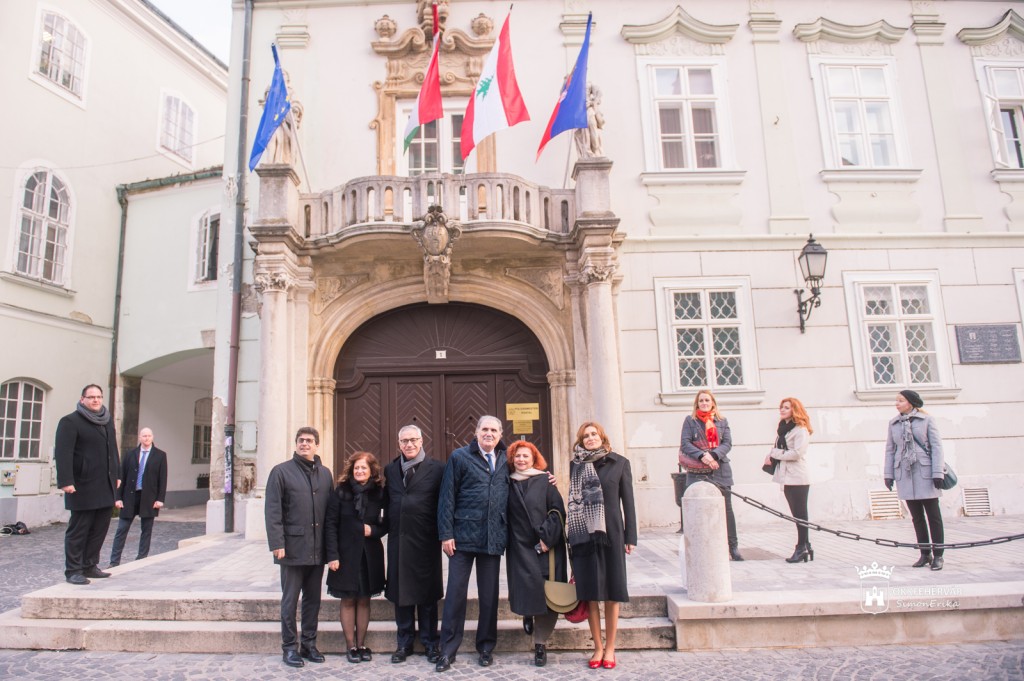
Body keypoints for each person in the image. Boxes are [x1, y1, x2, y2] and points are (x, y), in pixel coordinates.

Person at [434, 415, 509, 672]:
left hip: (492, 535)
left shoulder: (507, 458)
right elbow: (447, 497)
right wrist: (446, 534)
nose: (489, 433)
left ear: (500, 434)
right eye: (484, 429)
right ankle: (447, 650)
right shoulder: (460, 457)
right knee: (455, 594)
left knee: (489, 595)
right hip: (462, 537)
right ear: (476, 433)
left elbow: (528, 470)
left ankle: (486, 647)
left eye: (494, 430)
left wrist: (547, 477)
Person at [567, 421, 636, 671]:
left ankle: (611, 648)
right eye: (585, 436)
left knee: (612, 591)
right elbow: (573, 501)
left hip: (612, 535)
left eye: (594, 434)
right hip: (584, 536)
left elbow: (628, 502)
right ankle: (597, 646)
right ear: (581, 441)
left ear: (602, 437)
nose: (590, 438)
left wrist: (630, 537)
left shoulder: (619, 463)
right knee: (590, 593)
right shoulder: (576, 465)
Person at [265, 427, 334, 668]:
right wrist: (277, 543)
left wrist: (331, 548)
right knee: (290, 601)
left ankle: (309, 644)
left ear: (317, 445)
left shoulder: (325, 474)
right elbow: (273, 510)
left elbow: (330, 513)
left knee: (313, 600)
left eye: (309, 441)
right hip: (292, 548)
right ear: (296, 444)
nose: (305, 444)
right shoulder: (281, 472)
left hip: (317, 549)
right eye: (301, 440)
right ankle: (289, 647)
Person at [382, 425, 444, 664]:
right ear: (399, 444)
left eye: (413, 440)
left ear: (421, 441)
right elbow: (385, 500)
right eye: (404, 441)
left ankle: (430, 643)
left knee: (427, 596)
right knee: (401, 595)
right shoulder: (390, 470)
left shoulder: (437, 469)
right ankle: (404, 643)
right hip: (399, 540)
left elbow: (446, 501)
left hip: (426, 540)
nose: (409, 444)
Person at [505, 440, 566, 667]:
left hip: (544, 545)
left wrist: (547, 538)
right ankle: (527, 613)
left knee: (547, 595)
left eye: (526, 456)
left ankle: (540, 644)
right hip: (519, 546)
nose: (521, 460)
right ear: (512, 460)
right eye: (517, 456)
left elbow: (557, 510)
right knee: (527, 589)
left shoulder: (545, 481)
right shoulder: (506, 482)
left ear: (534, 460)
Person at [54, 384, 121, 585]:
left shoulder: (106, 421)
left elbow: (113, 449)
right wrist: (66, 481)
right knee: (79, 529)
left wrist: (117, 474)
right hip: (82, 485)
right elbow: (63, 453)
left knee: (99, 528)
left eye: (99, 396)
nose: (96, 400)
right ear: (82, 399)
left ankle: (90, 565)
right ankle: (73, 570)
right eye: (91, 397)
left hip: (105, 483)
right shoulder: (70, 421)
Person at [325, 451, 387, 664]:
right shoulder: (341, 492)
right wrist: (332, 555)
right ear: (352, 470)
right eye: (356, 468)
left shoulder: (379, 493)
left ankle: (361, 644)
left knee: (364, 600)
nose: (360, 471)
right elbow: (330, 524)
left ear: (371, 470)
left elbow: (386, 524)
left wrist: (373, 531)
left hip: (370, 555)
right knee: (348, 599)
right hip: (345, 555)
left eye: (364, 468)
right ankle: (350, 645)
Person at [884, 390, 946, 571]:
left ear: (910, 403)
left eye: (900, 400)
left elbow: (937, 447)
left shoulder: (927, 420)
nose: (897, 404)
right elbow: (890, 450)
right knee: (917, 518)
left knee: (933, 516)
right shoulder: (894, 423)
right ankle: (924, 553)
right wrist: (888, 474)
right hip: (905, 474)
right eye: (896, 400)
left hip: (925, 474)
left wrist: (938, 473)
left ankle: (939, 555)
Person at [679, 389, 742, 561]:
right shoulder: (690, 420)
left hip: (720, 469)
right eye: (701, 401)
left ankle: (733, 546)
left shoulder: (722, 421)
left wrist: (713, 455)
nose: (704, 403)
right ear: (697, 404)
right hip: (697, 471)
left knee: (726, 509)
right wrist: (703, 456)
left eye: (707, 400)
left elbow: (727, 443)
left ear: (713, 402)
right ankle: (700, 547)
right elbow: (685, 443)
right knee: (697, 509)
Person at [763, 398, 814, 563]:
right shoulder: (783, 429)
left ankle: (801, 547)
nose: (782, 410)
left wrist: (774, 453)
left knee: (800, 514)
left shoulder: (801, 430)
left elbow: (797, 453)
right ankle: (806, 545)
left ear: (795, 410)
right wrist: (773, 453)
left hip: (798, 477)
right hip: (786, 476)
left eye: (786, 408)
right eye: (781, 407)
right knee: (796, 514)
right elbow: (781, 449)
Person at [109, 427, 167, 567]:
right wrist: (118, 498)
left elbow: (162, 479)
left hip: (149, 498)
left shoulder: (160, 455)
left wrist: (160, 499)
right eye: (144, 436)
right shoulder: (130, 454)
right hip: (130, 497)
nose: (147, 438)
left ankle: (141, 558)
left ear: (152, 437)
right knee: (122, 529)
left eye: (149, 436)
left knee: (146, 530)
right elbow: (122, 477)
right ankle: (114, 561)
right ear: (139, 438)